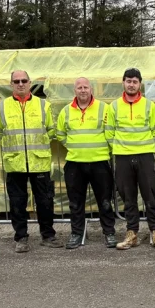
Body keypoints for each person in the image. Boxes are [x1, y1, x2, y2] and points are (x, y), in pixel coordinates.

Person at [0, 71, 62, 252]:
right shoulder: (2, 107)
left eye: (24, 80)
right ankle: (21, 238)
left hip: (39, 162)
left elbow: (51, 130)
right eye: (16, 81)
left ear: (30, 83)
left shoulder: (43, 105)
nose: (20, 84)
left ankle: (48, 235)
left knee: (45, 201)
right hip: (15, 163)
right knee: (17, 203)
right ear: (11, 84)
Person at [106, 68, 155, 250]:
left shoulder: (149, 106)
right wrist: (122, 147)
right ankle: (131, 234)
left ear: (140, 84)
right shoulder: (114, 106)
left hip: (145, 156)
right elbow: (109, 132)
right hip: (123, 158)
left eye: (135, 82)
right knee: (128, 198)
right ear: (123, 82)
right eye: (128, 81)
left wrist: (143, 145)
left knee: (151, 196)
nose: (131, 85)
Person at [56, 77, 118, 249]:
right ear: (74, 90)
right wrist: (74, 146)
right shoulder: (66, 111)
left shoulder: (104, 108)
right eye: (79, 87)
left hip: (100, 162)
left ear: (91, 89)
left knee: (105, 201)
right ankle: (76, 234)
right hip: (75, 163)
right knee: (75, 203)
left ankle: (109, 233)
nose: (83, 90)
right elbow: (60, 134)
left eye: (85, 87)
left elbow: (110, 131)